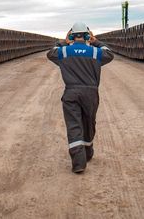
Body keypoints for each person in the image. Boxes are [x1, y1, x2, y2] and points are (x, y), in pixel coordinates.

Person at [46, 22, 114, 173]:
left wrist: (64, 41)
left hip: (71, 92)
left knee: (74, 125)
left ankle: (79, 163)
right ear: (86, 35)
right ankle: (88, 153)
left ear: (72, 35)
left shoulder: (64, 52)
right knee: (88, 123)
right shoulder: (95, 52)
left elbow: (51, 53)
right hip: (90, 93)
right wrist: (96, 42)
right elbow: (109, 54)